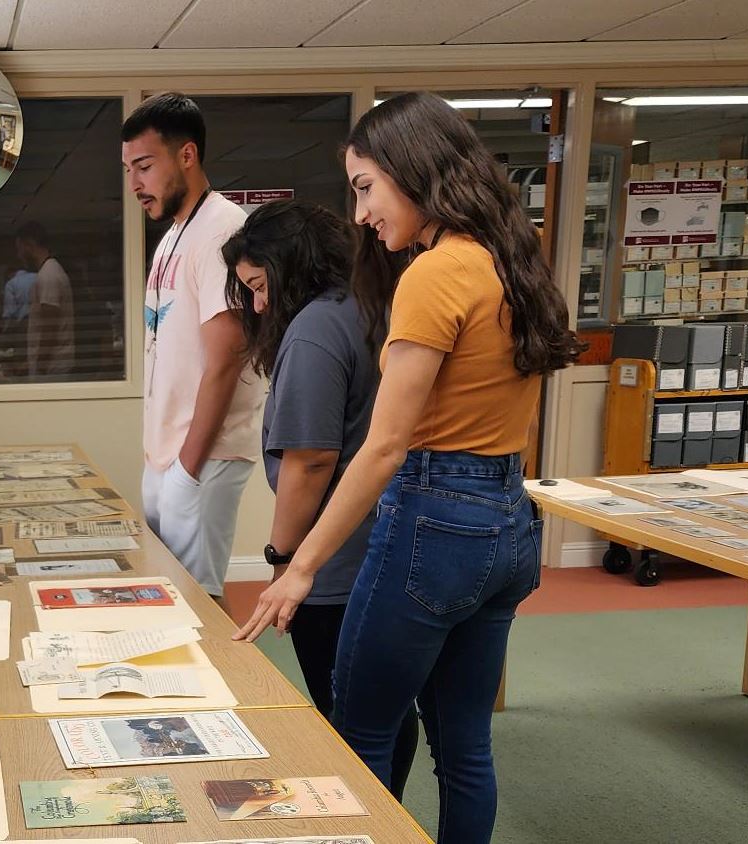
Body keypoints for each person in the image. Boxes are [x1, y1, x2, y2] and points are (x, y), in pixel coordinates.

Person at [234, 92, 583, 844]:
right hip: (507, 518)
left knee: (356, 739)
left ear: (412, 169)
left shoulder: (434, 273)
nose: (359, 214)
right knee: (465, 746)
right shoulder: (510, 262)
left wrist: (299, 568)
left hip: (433, 517)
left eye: (365, 188)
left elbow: (385, 448)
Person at [220, 199, 419, 800]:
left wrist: (283, 558)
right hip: (386, 542)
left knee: (351, 716)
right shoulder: (368, 306)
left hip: (335, 561)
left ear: (290, 269)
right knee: (388, 709)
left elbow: (310, 460)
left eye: (259, 287)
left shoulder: (312, 330)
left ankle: (368, 822)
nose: (257, 305)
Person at [121, 91, 263, 600]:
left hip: (202, 455)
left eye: (144, 166)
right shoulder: (172, 237)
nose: (135, 183)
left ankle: (242, 683)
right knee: (168, 594)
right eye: (128, 169)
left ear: (187, 155)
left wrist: (187, 465)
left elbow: (226, 360)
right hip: (167, 455)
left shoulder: (224, 230)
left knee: (199, 600)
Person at [15, 221, 74, 377]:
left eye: (20, 248)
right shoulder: (49, 271)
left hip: (52, 367)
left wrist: (40, 365)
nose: (19, 255)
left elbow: (50, 325)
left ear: (30, 245)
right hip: (51, 364)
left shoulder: (49, 275)